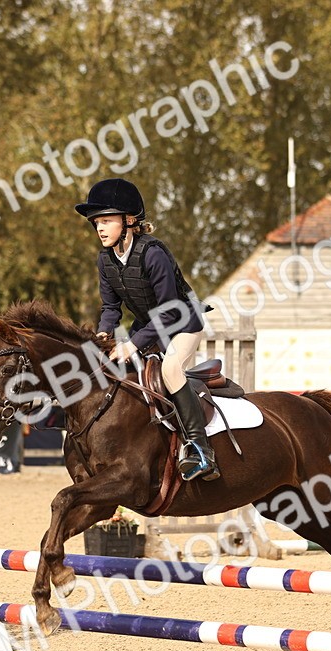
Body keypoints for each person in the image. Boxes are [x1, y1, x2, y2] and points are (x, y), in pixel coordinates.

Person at [74, 177, 218, 481]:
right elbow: (111, 308)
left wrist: (133, 343)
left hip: (183, 323)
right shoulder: (105, 260)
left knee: (171, 371)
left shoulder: (153, 253)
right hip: (148, 326)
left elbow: (168, 311)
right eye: (96, 221)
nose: (99, 228)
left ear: (129, 221)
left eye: (107, 221)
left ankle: (201, 449)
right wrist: (104, 334)